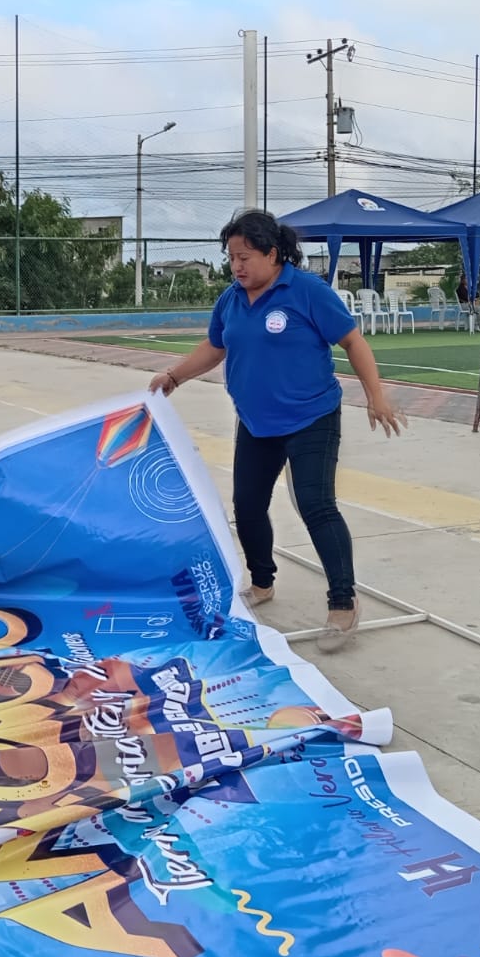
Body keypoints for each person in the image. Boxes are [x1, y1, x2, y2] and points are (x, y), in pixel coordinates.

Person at [147, 211, 403, 652]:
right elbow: (215, 346)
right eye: (231, 258)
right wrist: (174, 376)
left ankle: (343, 602)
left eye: (244, 257)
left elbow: (353, 341)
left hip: (311, 417)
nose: (237, 266)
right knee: (247, 506)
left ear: (272, 253)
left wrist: (375, 396)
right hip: (256, 422)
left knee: (316, 504)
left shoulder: (307, 291)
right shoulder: (231, 299)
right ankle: (262, 583)